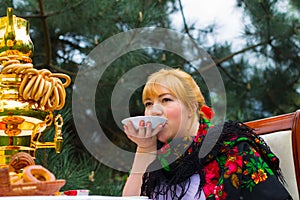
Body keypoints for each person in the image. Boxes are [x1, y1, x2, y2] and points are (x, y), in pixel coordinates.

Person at [122, 68, 292, 200]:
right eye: (148, 103)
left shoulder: (231, 148)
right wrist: (144, 149)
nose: (154, 111)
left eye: (166, 100)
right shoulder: (159, 159)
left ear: (191, 108)